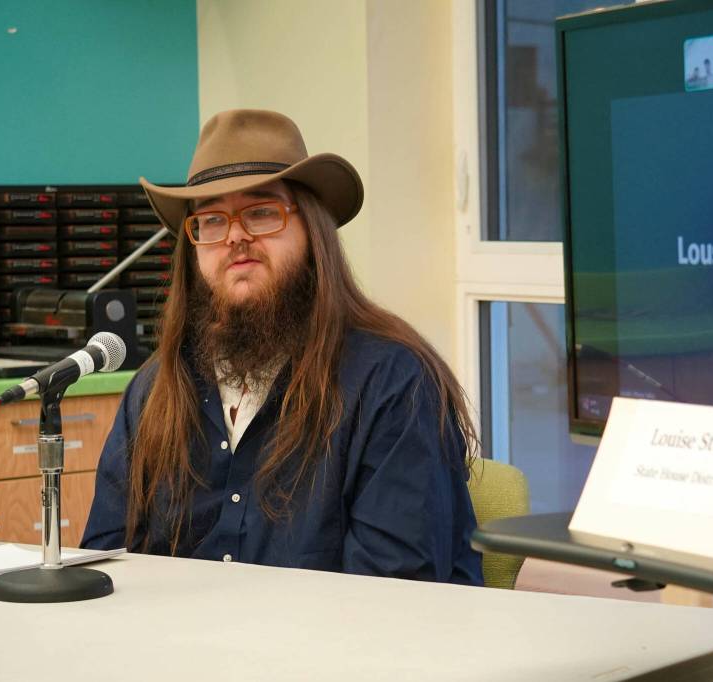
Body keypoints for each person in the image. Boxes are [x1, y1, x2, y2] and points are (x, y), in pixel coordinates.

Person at [81, 109, 483, 585]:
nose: (235, 235)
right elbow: (105, 566)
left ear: (312, 232)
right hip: (183, 653)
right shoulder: (157, 389)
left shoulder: (392, 383)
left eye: (261, 212)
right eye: (211, 220)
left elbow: (392, 597)